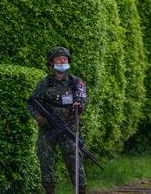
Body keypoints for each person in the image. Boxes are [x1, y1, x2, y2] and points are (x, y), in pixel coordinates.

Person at [27, 47, 88, 194]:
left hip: (69, 127)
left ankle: (81, 190)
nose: (63, 61)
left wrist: (79, 103)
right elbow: (31, 103)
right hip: (48, 129)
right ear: (51, 62)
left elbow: (83, 98)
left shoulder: (76, 82)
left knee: (75, 161)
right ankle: (49, 191)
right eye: (59, 59)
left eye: (65, 59)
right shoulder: (45, 83)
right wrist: (39, 118)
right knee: (46, 161)